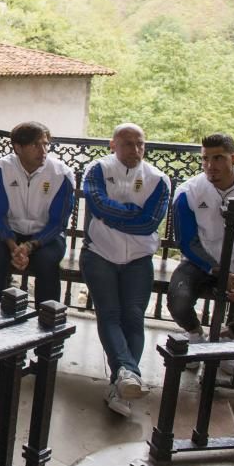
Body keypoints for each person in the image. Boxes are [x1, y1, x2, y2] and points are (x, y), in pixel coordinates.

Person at [80, 123, 170, 418]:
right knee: (109, 313)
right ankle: (129, 375)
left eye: (140, 144)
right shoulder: (97, 170)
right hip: (100, 254)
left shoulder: (159, 179)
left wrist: (114, 217)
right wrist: (131, 215)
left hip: (139, 259)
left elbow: (149, 223)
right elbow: (98, 206)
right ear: (113, 145)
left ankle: (121, 382)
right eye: (128, 143)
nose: (135, 150)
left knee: (133, 316)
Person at [168, 133, 234, 351]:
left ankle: (230, 336)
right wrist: (220, 272)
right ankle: (195, 334)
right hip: (200, 263)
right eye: (205, 158)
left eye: (218, 158)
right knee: (177, 299)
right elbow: (187, 242)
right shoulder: (188, 193)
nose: (210, 165)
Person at [0, 121, 74, 307]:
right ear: (18, 148)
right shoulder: (2, 168)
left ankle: (48, 321)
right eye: (35, 145)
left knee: (47, 262)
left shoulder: (61, 173)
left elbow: (58, 222)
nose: (43, 150)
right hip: (10, 232)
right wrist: (13, 246)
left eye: (45, 144)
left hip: (46, 236)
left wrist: (30, 246)